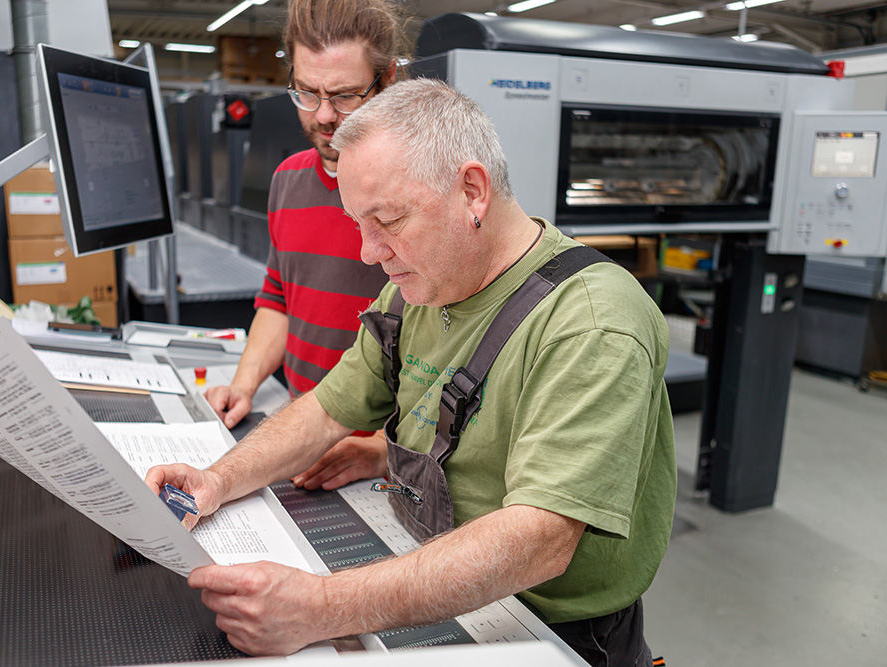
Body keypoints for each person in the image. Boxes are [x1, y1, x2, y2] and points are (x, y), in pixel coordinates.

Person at [146, 78, 677, 666]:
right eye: (358, 224)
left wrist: (318, 605)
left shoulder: (590, 323)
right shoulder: (416, 294)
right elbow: (327, 410)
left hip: (547, 627)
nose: (369, 253)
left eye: (389, 220)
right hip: (430, 563)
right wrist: (218, 480)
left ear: (472, 191)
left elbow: (538, 540)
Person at [203, 0, 405, 491]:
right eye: (307, 93)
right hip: (297, 439)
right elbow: (279, 298)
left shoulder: (418, 192)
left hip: (384, 458)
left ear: (388, 80)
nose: (324, 116)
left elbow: (463, 343)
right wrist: (244, 384)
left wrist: (384, 447)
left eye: (345, 95)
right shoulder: (288, 180)